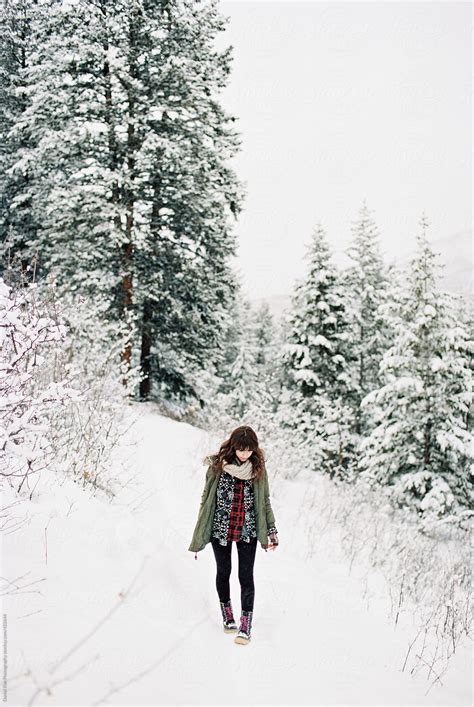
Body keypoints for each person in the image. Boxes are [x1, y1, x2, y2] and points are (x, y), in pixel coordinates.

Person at [188, 425, 279, 645]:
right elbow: (206, 497)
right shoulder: (218, 466)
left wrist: (271, 528)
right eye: (241, 450)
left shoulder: (258, 468)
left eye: (249, 450)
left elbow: (264, 500)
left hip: (247, 529)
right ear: (233, 447)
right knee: (224, 570)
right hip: (221, 527)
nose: (244, 454)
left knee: (246, 576)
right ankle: (227, 614)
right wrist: (201, 527)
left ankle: (246, 624)